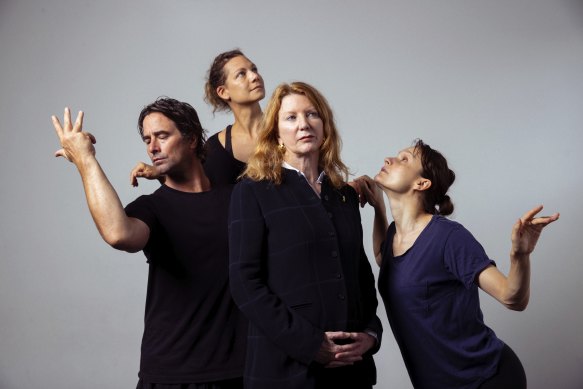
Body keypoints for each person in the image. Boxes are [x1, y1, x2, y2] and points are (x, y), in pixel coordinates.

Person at [51, 98, 246, 389]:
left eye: (162, 136)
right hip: (172, 373)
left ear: (191, 139)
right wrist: (85, 159)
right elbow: (118, 233)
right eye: (147, 139)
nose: (152, 147)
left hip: (240, 370)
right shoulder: (152, 208)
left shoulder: (239, 197)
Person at [354, 139, 559, 389]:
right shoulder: (394, 236)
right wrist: (379, 210)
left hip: (486, 379)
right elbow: (382, 257)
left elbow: (512, 298)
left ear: (422, 183)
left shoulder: (447, 237)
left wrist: (520, 255)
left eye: (404, 159)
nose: (389, 159)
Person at [228, 81, 382, 389]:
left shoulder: (344, 196)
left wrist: (371, 333)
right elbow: (245, 283)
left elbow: (360, 274)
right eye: (291, 117)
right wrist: (310, 344)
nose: (303, 125)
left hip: (351, 371)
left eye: (312, 114)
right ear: (275, 132)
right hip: (285, 370)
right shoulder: (253, 190)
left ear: (325, 125)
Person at [131, 49, 264, 187]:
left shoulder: (284, 130)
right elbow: (201, 195)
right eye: (241, 74)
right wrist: (162, 174)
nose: (254, 76)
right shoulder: (216, 149)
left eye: (254, 69)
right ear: (223, 92)